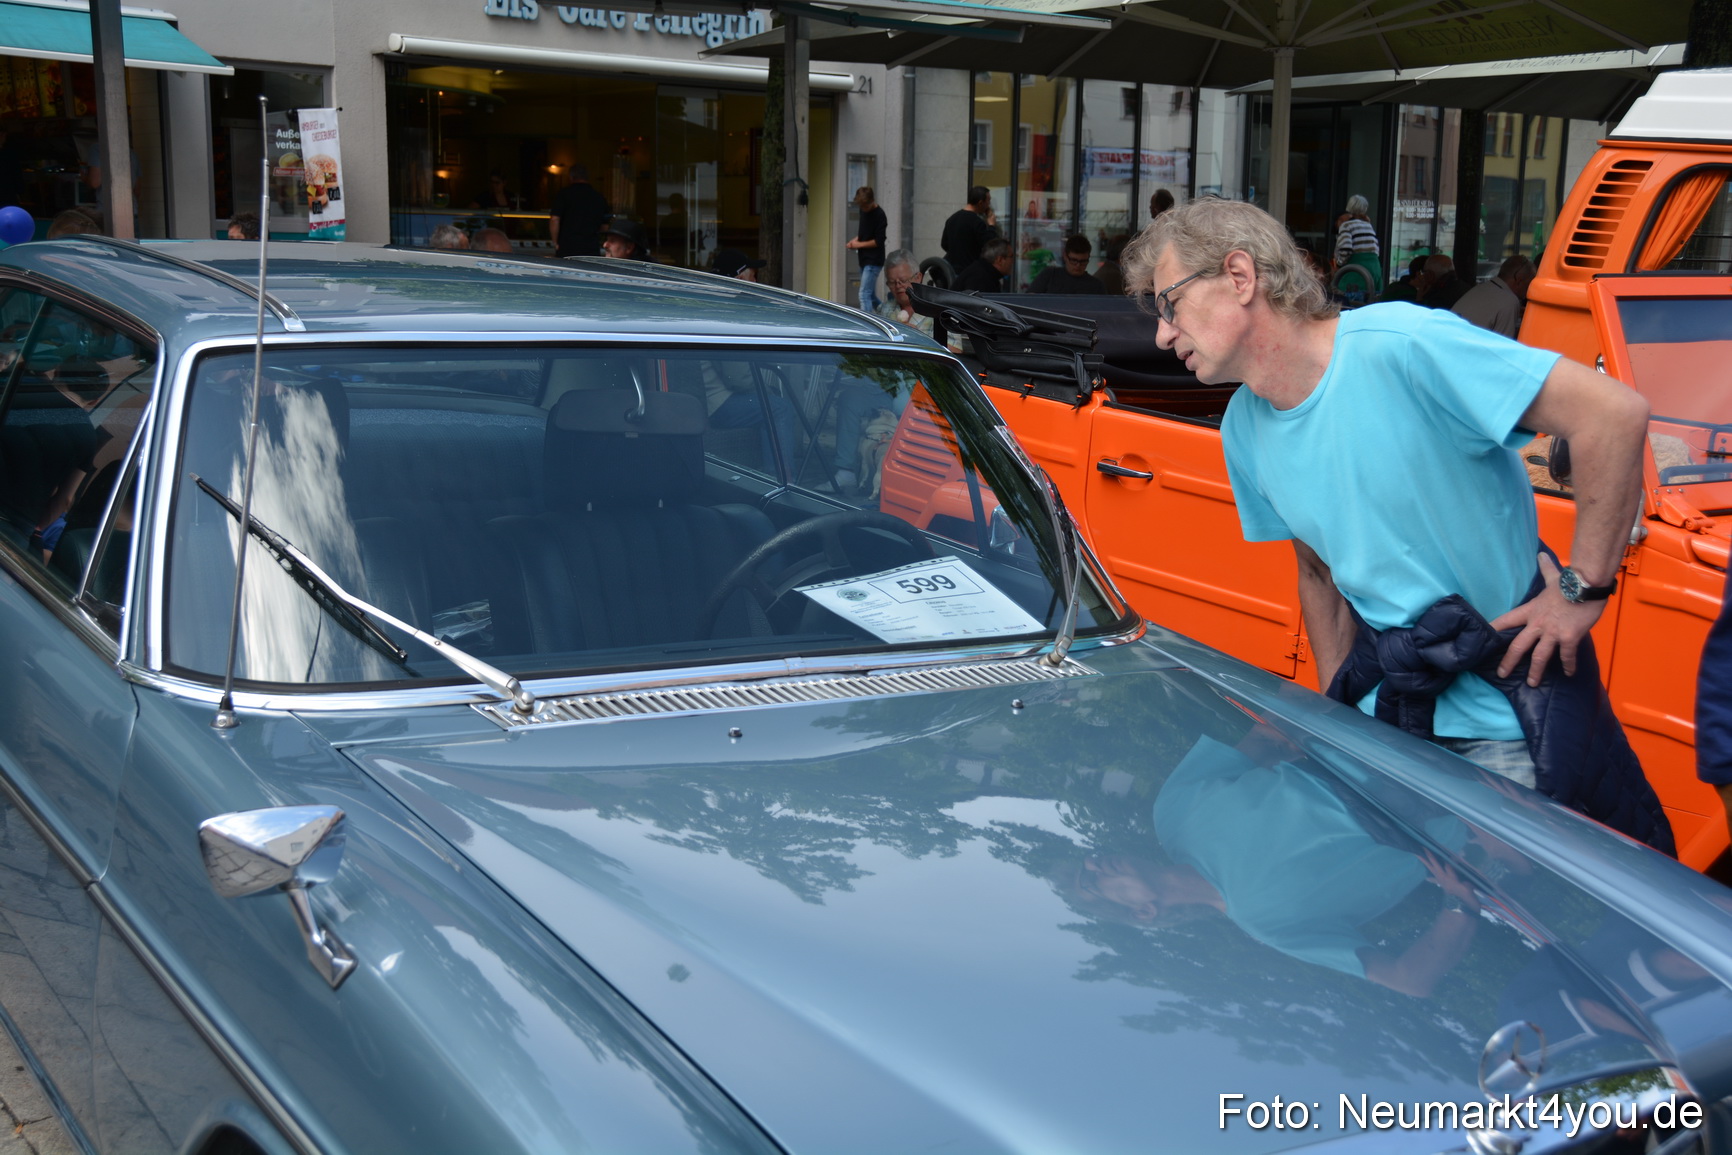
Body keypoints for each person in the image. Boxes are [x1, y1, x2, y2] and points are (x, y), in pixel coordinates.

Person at [1121, 197, 1671, 852]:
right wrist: (1336, 711)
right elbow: (1317, 568)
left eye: (1170, 304)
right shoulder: (1243, 425)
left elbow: (1612, 415)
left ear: (1240, 277)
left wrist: (1580, 591)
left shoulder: (1403, 346)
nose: (1162, 333)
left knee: (1515, 942)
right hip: (1391, 725)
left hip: (1509, 729)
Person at [1453, 254, 1537, 338]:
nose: (1530, 289)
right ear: (1519, 280)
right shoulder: (1509, 301)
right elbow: (1502, 345)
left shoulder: (1480, 288)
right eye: (1529, 284)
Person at [549, 164, 610, 259]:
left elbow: (555, 220)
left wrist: (555, 243)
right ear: (587, 177)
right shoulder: (598, 197)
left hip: (567, 247)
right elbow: (605, 227)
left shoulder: (564, 194)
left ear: (571, 177)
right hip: (591, 248)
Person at [845, 186, 887, 313]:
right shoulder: (863, 211)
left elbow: (878, 241)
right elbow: (864, 233)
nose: (863, 209)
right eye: (861, 207)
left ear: (872, 201)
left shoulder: (880, 215)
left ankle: (867, 326)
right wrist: (855, 240)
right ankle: (888, 313)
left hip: (874, 260)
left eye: (865, 207)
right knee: (871, 296)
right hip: (864, 259)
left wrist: (858, 244)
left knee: (863, 294)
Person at [1332, 194, 1382, 297]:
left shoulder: (1346, 225)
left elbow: (1345, 249)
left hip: (1356, 268)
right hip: (1374, 267)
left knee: (1347, 297)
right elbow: (1375, 248)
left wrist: (1339, 265)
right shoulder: (1368, 225)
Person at [941, 186, 999, 273]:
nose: (989, 205)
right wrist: (991, 226)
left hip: (951, 272)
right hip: (969, 272)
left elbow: (944, 244)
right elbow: (989, 246)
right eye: (988, 201)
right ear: (980, 203)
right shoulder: (977, 222)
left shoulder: (952, 219)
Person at [876, 250, 934, 336]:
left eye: (903, 280)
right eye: (892, 282)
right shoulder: (883, 310)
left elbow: (955, 348)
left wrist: (918, 338)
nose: (898, 286)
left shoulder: (936, 310)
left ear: (918, 277)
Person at [1027, 235, 1106, 295]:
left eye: (1083, 261)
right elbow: (1029, 301)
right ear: (1065, 256)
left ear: (1088, 258)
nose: (1078, 265)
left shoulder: (1097, 286)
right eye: (1074, 260)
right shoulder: (1049, 276)